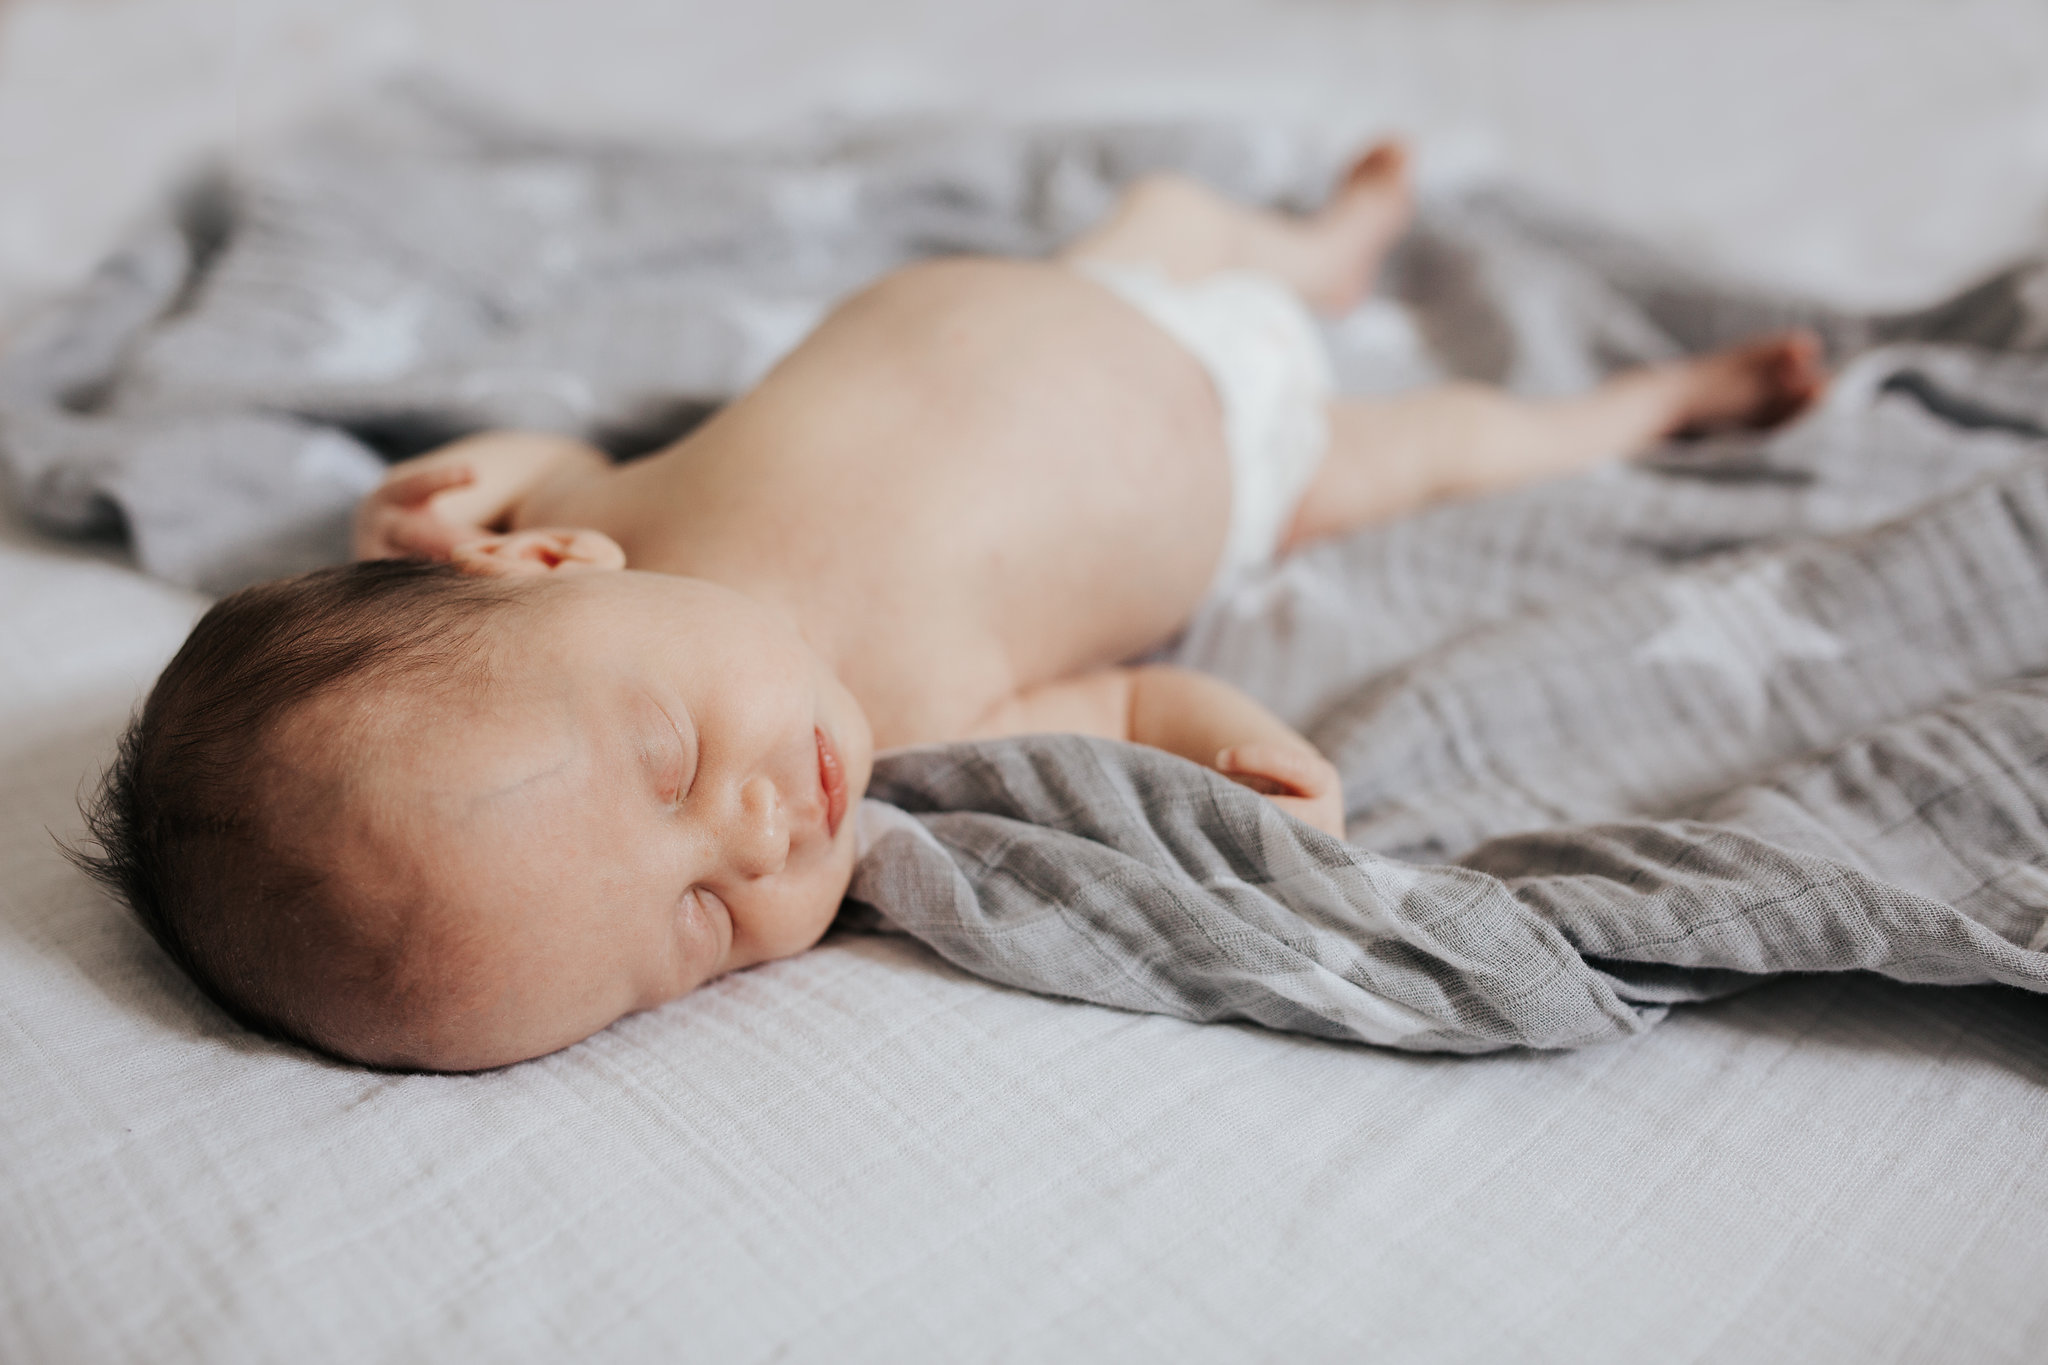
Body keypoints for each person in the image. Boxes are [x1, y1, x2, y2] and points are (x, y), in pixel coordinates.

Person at [78, 143, 1828, 1072]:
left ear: (534, 568)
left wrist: (475, 466)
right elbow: (1131, 711)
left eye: (673, 759)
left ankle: (1318, 242)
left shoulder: (583, 509)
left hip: (1090, 294)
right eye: (693, 924)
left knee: (1182, 220)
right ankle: (1651, 409)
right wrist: (1256, 765)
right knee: (1454, 445)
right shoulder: (913, 735)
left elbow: (533, 460)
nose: (761, 833)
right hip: (1258, 471)